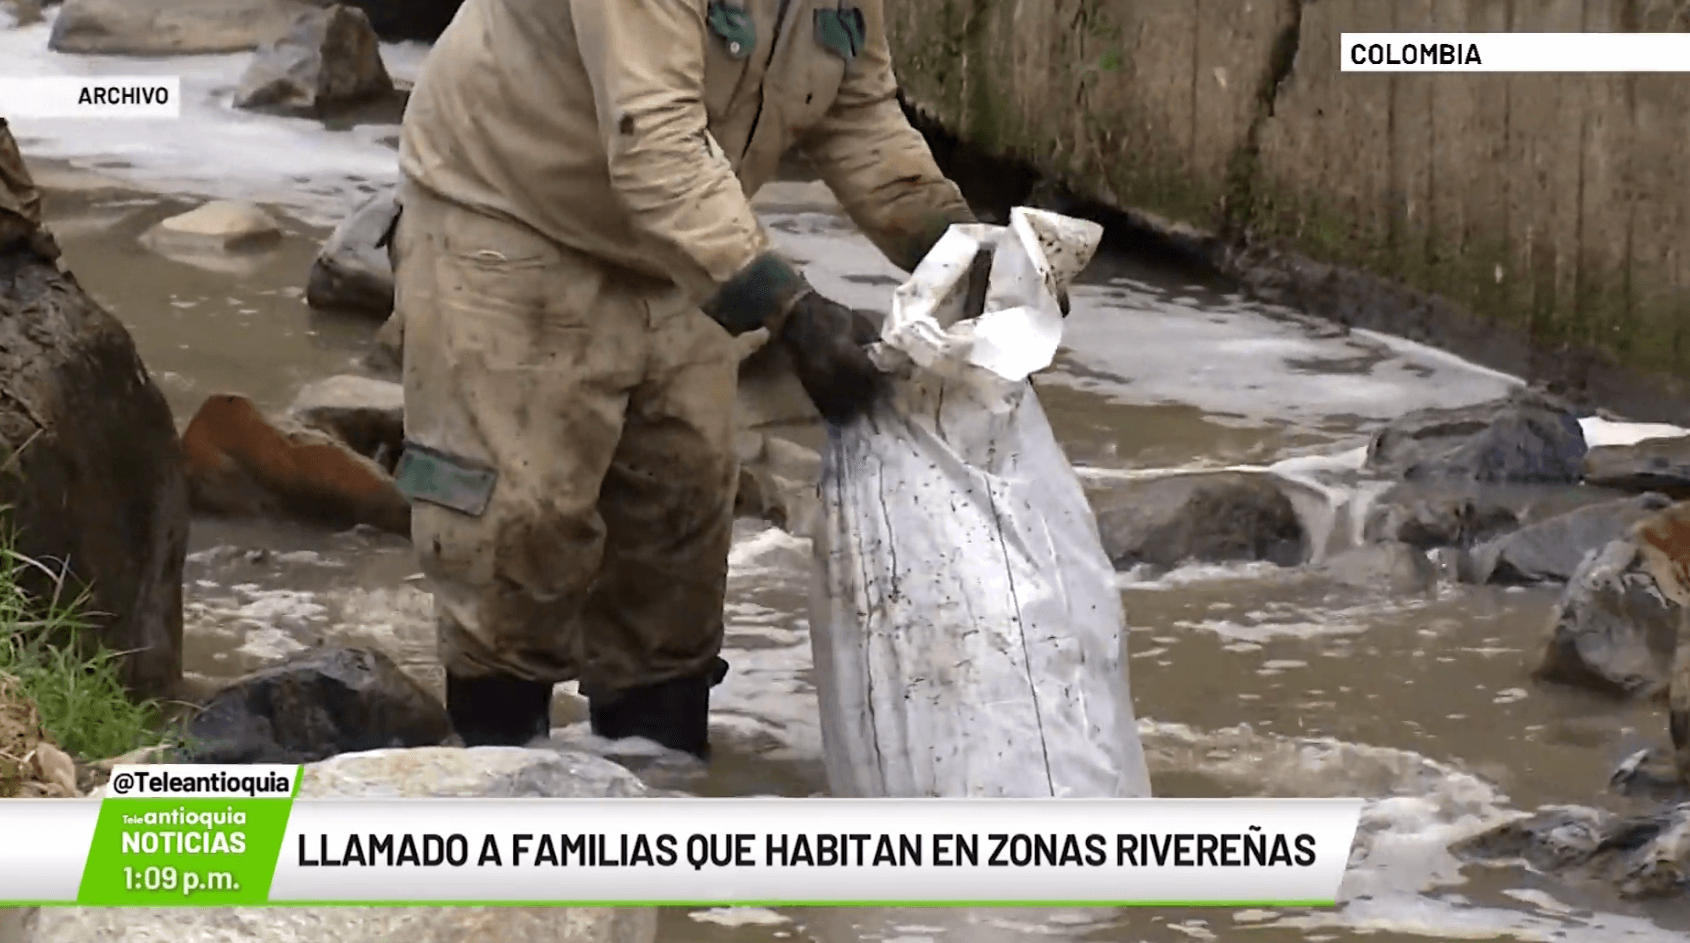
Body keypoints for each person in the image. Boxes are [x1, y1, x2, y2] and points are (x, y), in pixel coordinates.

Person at [386, 0, 977, 761]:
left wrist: (958, 249)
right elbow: (655, 146)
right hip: (506, 208)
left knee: (681, 528)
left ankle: (662, 809)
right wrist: (789, 311)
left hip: (679, 235)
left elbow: (858, 112)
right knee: (517, 531)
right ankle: (496, 806)